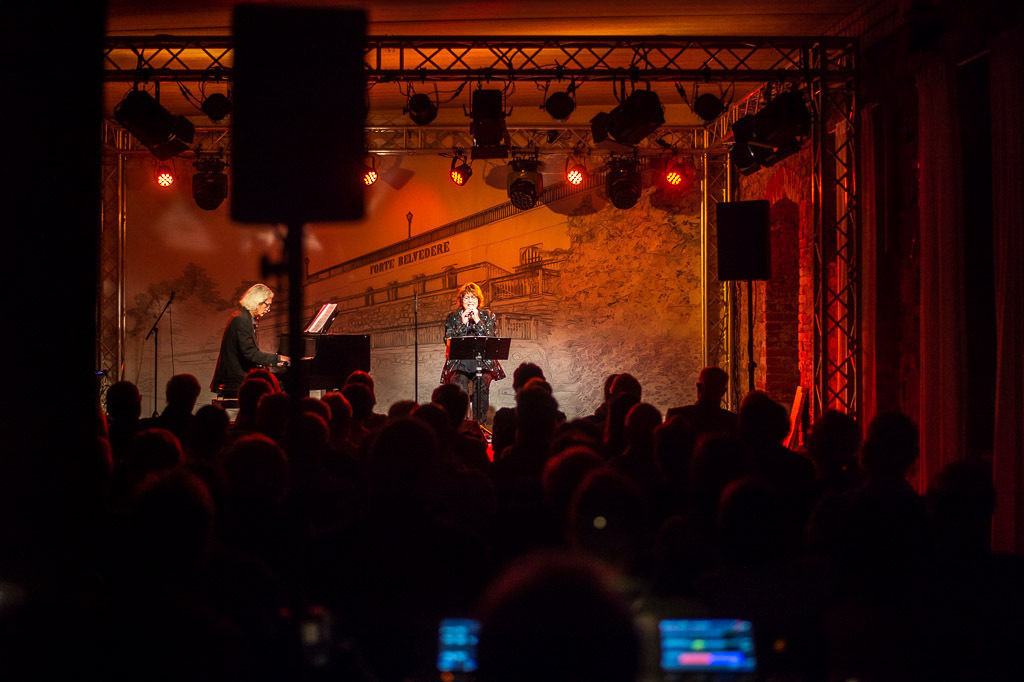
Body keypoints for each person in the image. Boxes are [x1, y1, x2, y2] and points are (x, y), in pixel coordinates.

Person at [440, 282, 505, 423]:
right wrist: (462, 324)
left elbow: (492, 339)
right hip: (460, 362)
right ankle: (461, 425)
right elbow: (448, 340)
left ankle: (478, 425)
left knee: (481, 386)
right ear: (461, 301)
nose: (470, 301)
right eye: (466, 298)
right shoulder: (453, 317)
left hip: (483, 361)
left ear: (478, 300)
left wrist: (477, 320)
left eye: (473, 298)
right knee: (459, 389)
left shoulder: (488, 315)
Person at [210, 283, 289, 398]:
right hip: (236, 378)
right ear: (257, 302)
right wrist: (279, 359)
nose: (268, 309)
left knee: (276, 380)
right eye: (267, 305)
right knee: (278, 385)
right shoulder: (242, 320)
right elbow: (250, 353)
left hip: (239, 373)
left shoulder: (244, 318)